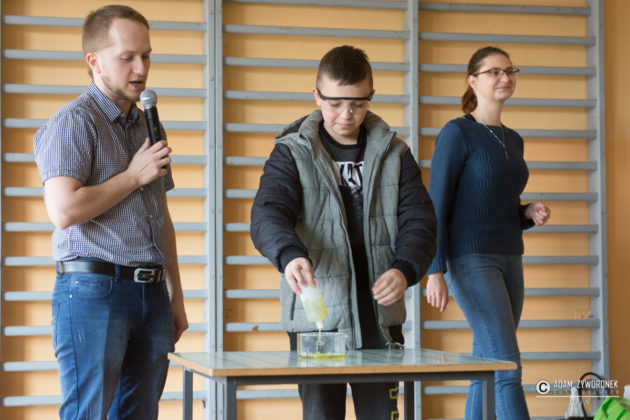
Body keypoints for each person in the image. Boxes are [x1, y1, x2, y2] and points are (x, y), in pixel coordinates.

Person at [250, 45, 438, 420]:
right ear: (316, 96)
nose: (346, 115)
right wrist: (289, 254)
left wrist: (405, 268)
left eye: (357, 104)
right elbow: (268, 212)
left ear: (371, 96)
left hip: (381, 321)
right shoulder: (291, 151)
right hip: (316, 322)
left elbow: (420, 220)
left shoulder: (395, 153)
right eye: (335, 104)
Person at [33, 5, 188, 419]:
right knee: (87, 413)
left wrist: (175, 293)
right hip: (94, 292)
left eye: (147, 56)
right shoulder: (73, 122)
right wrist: (132, 176)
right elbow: (63, 209)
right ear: (94, 61)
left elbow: (161, 212)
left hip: (151, 291)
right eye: (127, 58)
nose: (141, 68)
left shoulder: (148, 123)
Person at [426, 46, 551, 420]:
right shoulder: (457, 133)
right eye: (494, 71)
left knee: (486, 363)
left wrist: (526, 212)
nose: (505, 77)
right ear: (472, 81)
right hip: (471, 260)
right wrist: (435, 270)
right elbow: (437, 203)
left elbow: (497, 203)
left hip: (511, 256)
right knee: (506, 368)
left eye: (509, 71)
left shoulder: (514, 140)